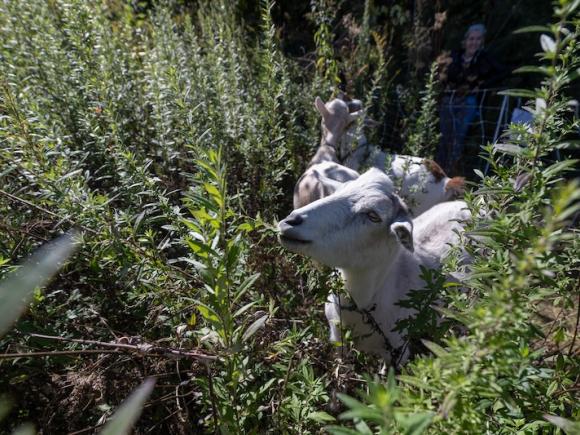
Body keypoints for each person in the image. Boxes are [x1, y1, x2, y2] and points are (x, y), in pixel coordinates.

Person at [436, 24, 507, 175]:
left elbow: (503, 72)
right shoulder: (455, 55)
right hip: (449, 99)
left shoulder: (484, 58)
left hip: (468, 102)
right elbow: (442, 74)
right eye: (471, 38)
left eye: (478, 39)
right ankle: (436, 171)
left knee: (458, 138)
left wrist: (482, 85)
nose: (474, 42)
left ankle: (449, 174)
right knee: (444, 138)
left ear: (482, 42)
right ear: (465, 40)